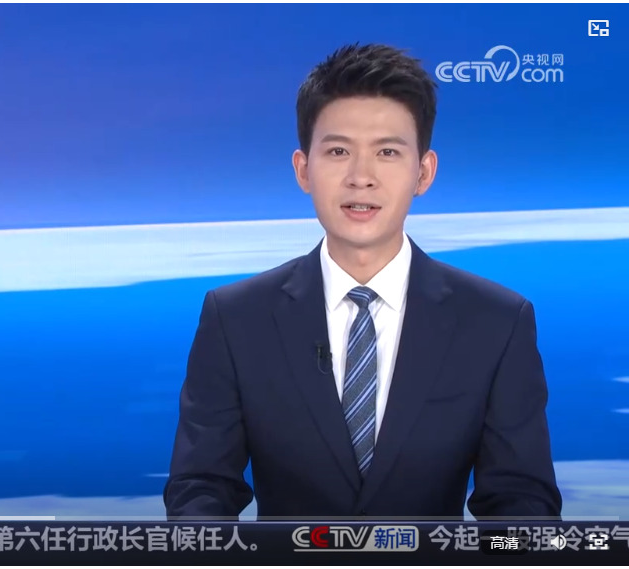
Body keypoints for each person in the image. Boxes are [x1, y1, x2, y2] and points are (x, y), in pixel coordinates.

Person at [164, 44, 562, 521]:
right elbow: (201, 489)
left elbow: (521, 503)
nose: (361, 177)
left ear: (423, 172)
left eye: (387, 152)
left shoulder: (496, 322)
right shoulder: (236, 319)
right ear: (303, 170)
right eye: (338, 151)